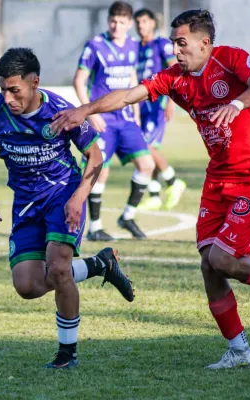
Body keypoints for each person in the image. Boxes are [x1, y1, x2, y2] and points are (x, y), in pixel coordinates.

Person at [51, 9, 250, 369]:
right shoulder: (176, 78)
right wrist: (86, 109)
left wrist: (236, 102)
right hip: (218, 178)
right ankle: (240, 350)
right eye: (173, 43)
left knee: (222, 260)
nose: (176, 50)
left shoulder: (229, 58)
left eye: (182, 43)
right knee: (209, 267)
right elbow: (128, 96)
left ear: (204, 43)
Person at [0, 47, 135, 369]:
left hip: (63, 196)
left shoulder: (61, 111)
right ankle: (99, 265)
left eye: (15, 90)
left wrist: (78, 197)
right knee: (27, 285)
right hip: (25, 203)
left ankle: (67, 355)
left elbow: (96, 156)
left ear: (35, 82)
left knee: (59, 268)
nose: (8, 98)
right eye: (3, 89)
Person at [73, 1, 155, 241]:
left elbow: (132, 76)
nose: (116, 26)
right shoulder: (95, 46)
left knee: (147, 165)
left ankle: (127, 216)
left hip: (126, 118)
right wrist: (91, 113)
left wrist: (137, 113)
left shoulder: (132, 45)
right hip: (103, 120)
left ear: (129, 24)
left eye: (121, 22)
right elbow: (79, 81)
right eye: (112, 21)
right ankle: (95, 227)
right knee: (100, 171)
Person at [133, 8, 187, 211]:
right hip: (141, 105)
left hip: (158, 104)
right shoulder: (136, 47)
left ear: (153, 23)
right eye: (138, 22)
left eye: (145, 21)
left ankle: (173, 181)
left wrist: (172, 101)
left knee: (145, 146)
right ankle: (154, 194)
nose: (141, 26)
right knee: (147, 149)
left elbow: (176, 71)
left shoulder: (162, 45)